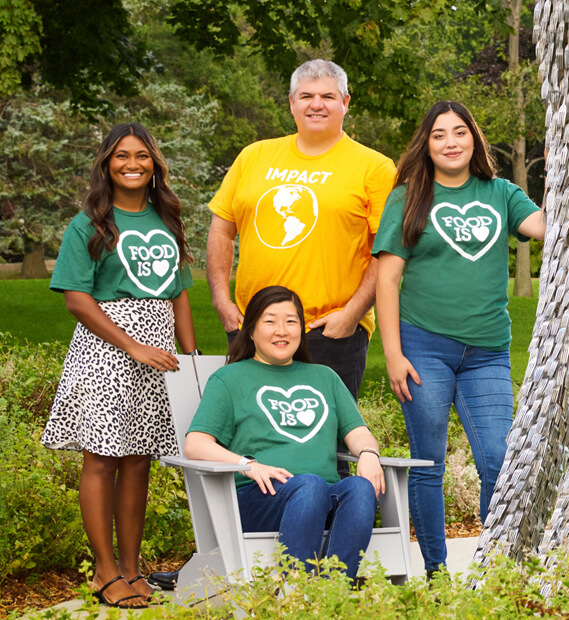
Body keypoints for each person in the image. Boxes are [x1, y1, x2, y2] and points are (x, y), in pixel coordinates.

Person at [373, 100, 545, 574]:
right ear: (426, 146)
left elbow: (547, 227)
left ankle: (492, 569)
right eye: (439, 135)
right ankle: (436, 573)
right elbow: (386, 280)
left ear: (475, 139)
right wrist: (393, 354)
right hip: (423, 346)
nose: (451, 142)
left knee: (499, 459)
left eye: (460, 132)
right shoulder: (408, 196)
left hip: (486, 352)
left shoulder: (501, 194)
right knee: (428, 464)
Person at [42, 123, 198, 609]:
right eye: (122, 156)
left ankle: (131, 569)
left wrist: (192, 360)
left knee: (137, 461)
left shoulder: (167, 219)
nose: (132, 164)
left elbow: (179, 294)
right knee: (103, 457)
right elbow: (76, 299)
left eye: (143, 156)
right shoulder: (88, 222)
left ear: (155, 164)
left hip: (159, 350)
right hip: (107, 349)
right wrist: (132, 346)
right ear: (107, 163)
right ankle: (105, 572)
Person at [206, 59, 396, 401]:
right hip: (252, 325)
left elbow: (387, 251)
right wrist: (221, 299)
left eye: (327, 95)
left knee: (322, 440)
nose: (316, 104)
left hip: (327, 329)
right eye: (306, 95)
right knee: (249, 435)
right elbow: (221, 230)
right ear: (292, 102)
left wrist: (351, 315)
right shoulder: (253, 156)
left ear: (345, 102)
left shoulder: (375, 167)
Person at [183, 286, 385, 582]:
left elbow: (358, 433)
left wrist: (368, 454)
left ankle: (330, 596)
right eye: (270, 321)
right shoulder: (229, 379)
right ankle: (297, 596)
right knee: (310, 486)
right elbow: (195, 443)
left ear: (301, 330)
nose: (282, 330)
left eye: (291, 321)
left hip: (322, 497)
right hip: (261, 501)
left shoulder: (324, 377)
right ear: (250, 330)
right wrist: (248, 465)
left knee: (359, 488)